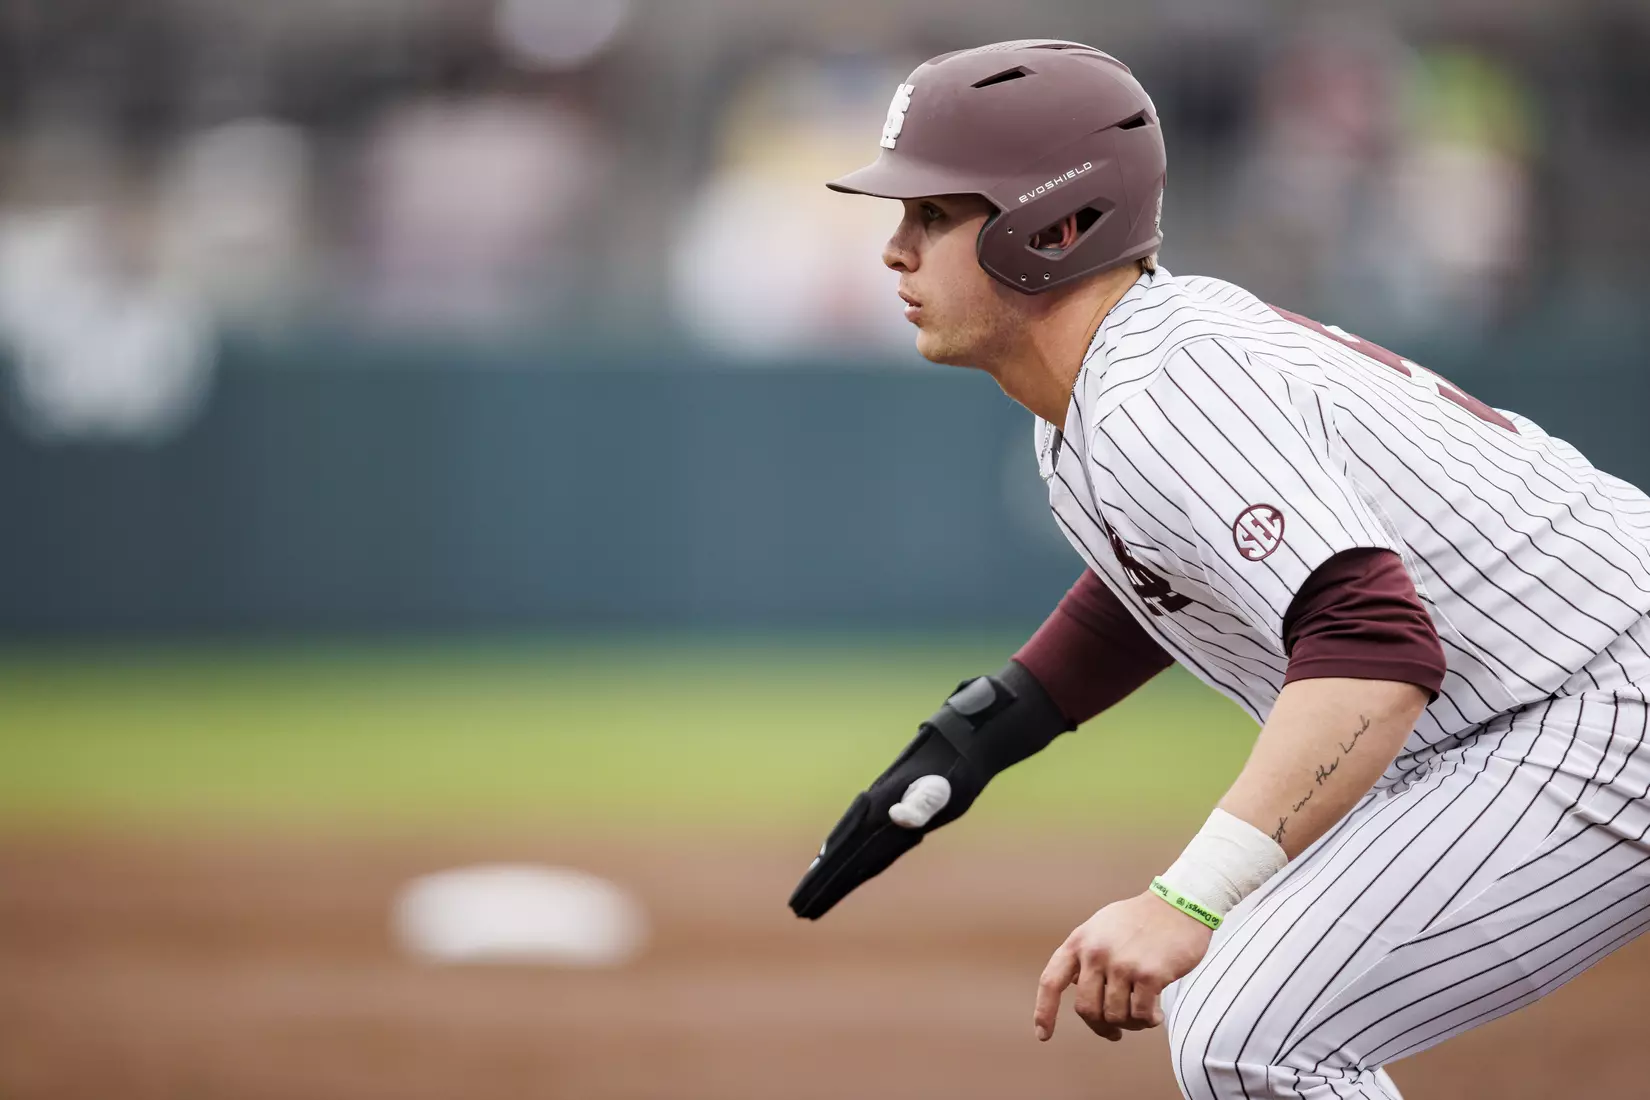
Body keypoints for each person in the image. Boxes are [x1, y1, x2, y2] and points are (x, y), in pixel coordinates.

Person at [788, 39, 1650, 1100]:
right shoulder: (1117, 381)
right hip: (1548, 703)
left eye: (931, 214)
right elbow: (1168, 569)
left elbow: (1374, 648)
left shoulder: (1163, 381)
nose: (894, 250)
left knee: (1249, 1025)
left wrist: (1186, 897)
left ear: (1053, 228)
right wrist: (984, 732)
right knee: (1236, 1014)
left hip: (1601, 698)